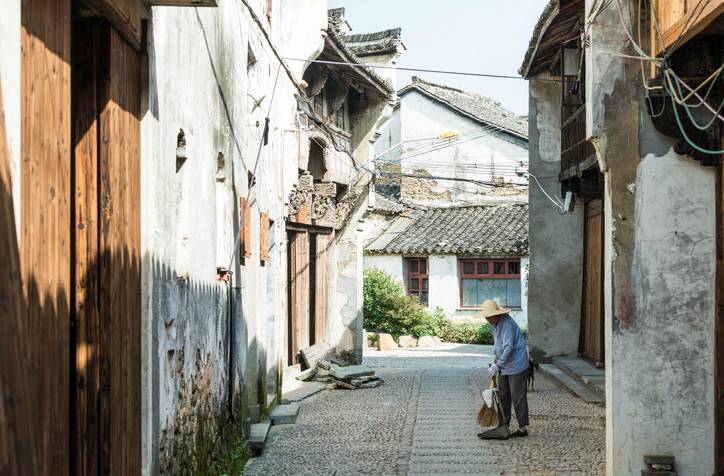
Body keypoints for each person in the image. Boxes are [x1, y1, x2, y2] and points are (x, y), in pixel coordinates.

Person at [478, 299, 529, 439]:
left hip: (517, 364)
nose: (487, 319)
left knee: (517, 397)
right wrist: (495, 359)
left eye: (489, 317)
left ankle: (522, 428)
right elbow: (498, 344)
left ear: (496, 315)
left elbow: (509, 347)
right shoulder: (495, 324)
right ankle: (503, 425)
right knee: (503, 396)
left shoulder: (506, 324)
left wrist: (498, 365)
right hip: (504, 365)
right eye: (486, 317)